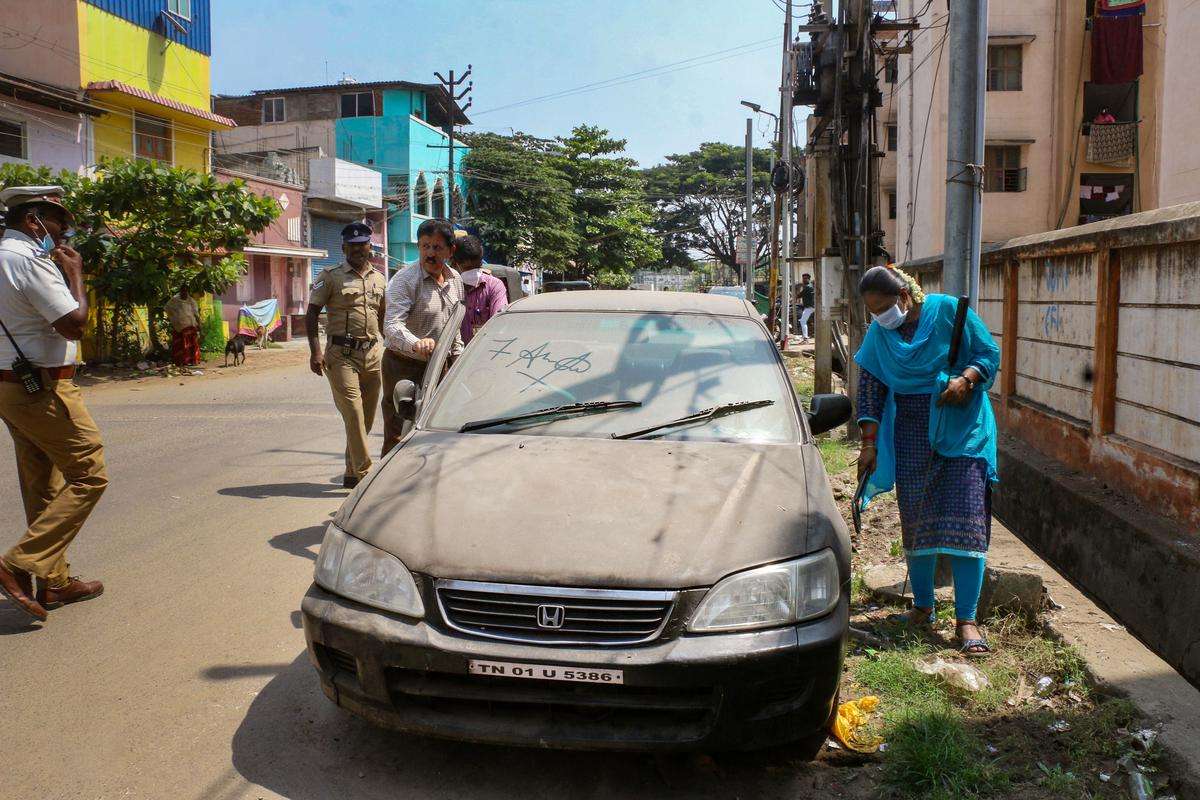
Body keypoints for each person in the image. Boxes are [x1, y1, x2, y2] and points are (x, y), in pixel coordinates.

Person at [853, 265, 1000, 656]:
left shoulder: (949, 311)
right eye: (873, 311)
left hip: (962, 429)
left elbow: (988, 352)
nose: (881, 317)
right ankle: (922, 608)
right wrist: (869, 444)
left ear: (905, 296)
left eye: (885, 307)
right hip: (913, 433)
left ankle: (966, 620)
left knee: (967, 524)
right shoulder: (880, 335)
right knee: (917, 521)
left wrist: (966, 379)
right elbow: (871, 386)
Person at [0, 186, 107, 622]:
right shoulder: (28, 260)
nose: (62, 240)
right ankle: (18, 564)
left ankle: (56, 582)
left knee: (43, 483)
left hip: (10, 385)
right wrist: (75, 274)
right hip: (43, 386)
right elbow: (74, 325)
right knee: (89, 474)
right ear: (33, 221)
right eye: (58, 227)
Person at [306, 221, 386, 489]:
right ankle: (366, 476)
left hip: (373, 354)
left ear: (369, 247)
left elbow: (383, 317)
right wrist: (315, 352)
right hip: (341, 355)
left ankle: (351, 470)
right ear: (343, 248)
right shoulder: (330, 276)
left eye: (362, 245)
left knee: (367, 419)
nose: (357, 250)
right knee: (353, 413)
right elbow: (311, 313)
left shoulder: (380, 279)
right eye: (352, 246)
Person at [381, 218, 463, 456]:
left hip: (440, 366)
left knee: (438, 428)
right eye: (425, 246)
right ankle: (388, 488)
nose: (430, 253)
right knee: (398, 431)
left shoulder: (455, 280)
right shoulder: (404, 281)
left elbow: (455, 324)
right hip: (403, 365)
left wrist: (459, 357)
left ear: (450, 250)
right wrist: (416, 343)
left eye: (437, 247)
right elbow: (392, 325)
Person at [455, 234, 507, 345]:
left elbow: (499, 322)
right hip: (456, 355)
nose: (473, 272)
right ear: (456, 265)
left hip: (485, 350)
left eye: (476, 266)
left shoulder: (494, 285)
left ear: (481, 263)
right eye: (468, 268)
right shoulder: (450, 288)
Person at [164, 287, 201, 367]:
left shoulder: (191, 301)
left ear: (188, 292)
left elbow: (196, 315)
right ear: (180, 291)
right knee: (180, 346)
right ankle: (181, 361)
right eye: (182, 291)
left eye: (186, 292)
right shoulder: (174, 300)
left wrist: (200, 326)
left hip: (190, 326)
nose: (184, 293)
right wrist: (174, 318)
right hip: (178, 327)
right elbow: (167, 308)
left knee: (191, 345)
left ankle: (192, 360)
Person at [798, 273, 815, 342]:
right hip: (811, 306)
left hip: (810, 307)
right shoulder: (810, 286)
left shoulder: (808, 287)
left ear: (809, 279)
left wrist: (793, 298)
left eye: (805, 278)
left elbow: (799, 295)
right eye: (803, 278)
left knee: (803, 321)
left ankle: (805, 338)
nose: (804, 280)